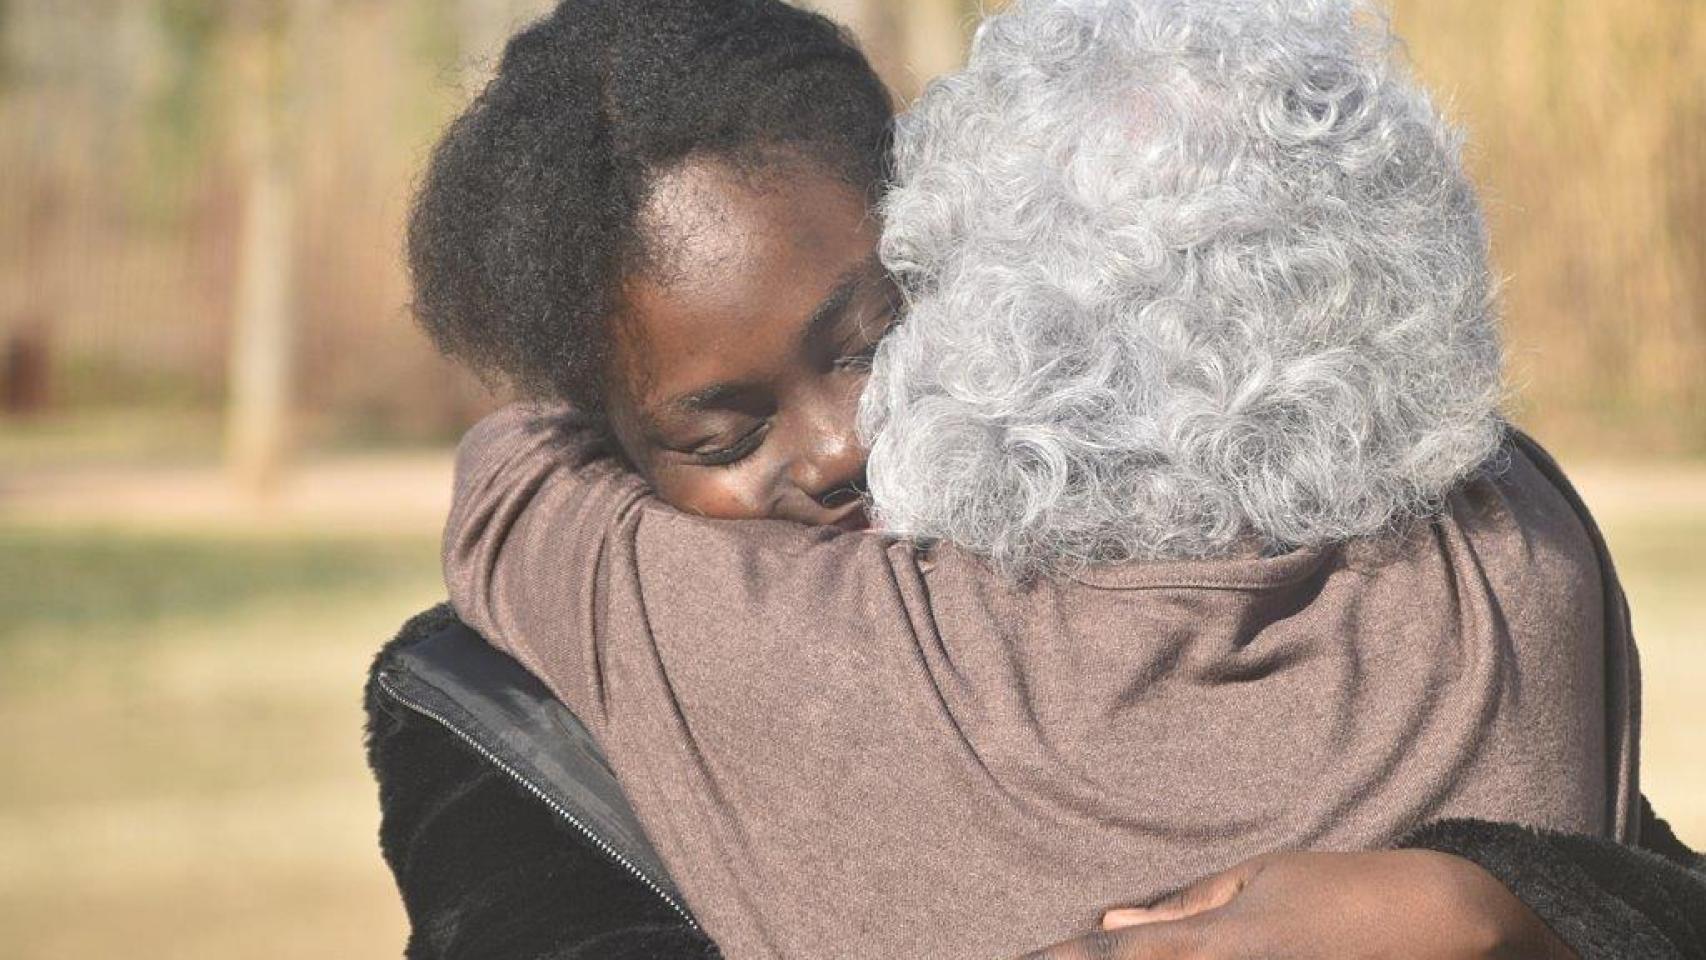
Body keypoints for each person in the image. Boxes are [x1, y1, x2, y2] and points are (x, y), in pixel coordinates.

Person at [366, 0, 1706, 957]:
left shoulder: (657, 621)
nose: (840, 449)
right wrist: (1519, 910)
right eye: (721, 436)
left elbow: (511, 490)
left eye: (876, 338)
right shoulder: (1498, 542)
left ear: (970, 270)